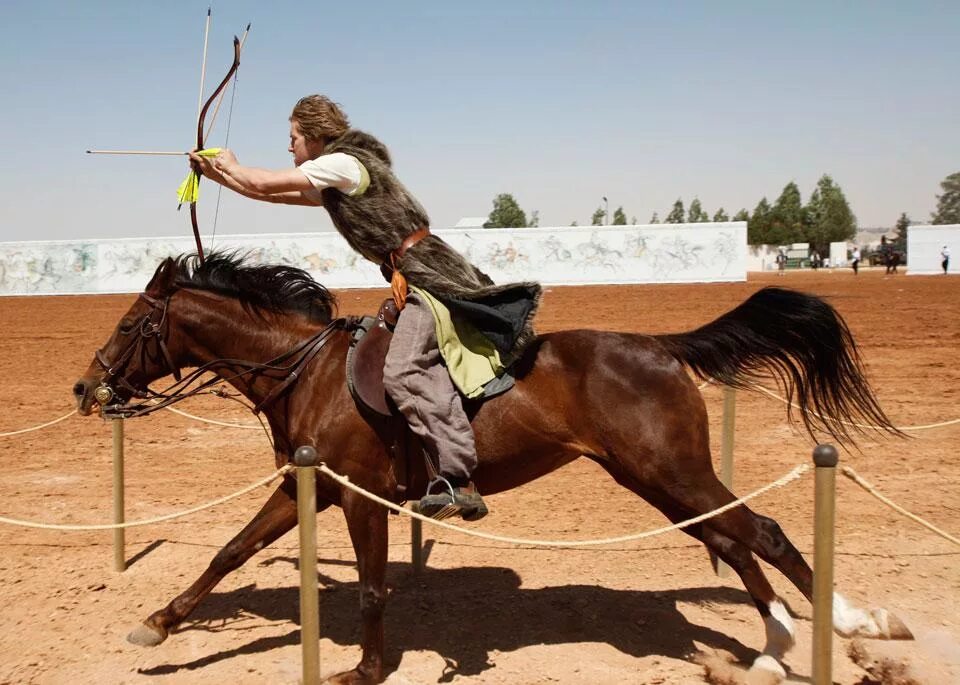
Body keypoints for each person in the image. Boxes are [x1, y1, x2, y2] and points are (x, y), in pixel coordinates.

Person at [189, 95, 541, 520]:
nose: (290, 146)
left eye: (294, 137)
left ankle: (456, 478)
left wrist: (229, 162)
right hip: (411, 277)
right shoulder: (342, 173)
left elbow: (264, 182)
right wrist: (217, 175)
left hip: (428, 276)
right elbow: (272, 195)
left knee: (404, 369)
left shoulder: (343, 164)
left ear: (315, 136)